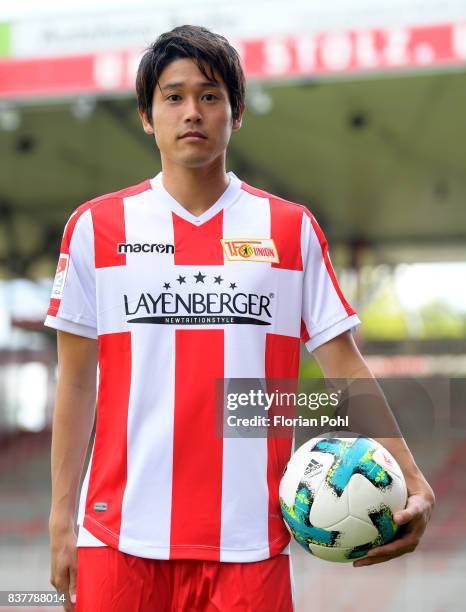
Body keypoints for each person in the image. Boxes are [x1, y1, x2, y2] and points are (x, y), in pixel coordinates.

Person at [45, 25, 435, 612]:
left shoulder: (288, 229)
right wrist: (60, 518)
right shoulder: (96, 229)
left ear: (237, 111)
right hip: (117, 538)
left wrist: (413, 478)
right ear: (146, 117)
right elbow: (75, 382)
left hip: (249, 543)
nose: (192, 112)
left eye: (210, 95)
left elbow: (344, 366)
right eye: (172, 97)